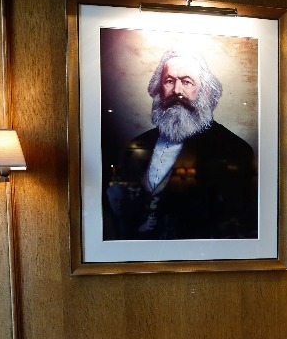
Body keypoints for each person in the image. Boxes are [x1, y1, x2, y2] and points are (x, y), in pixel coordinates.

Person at [105, 49, 258, 240]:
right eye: (169, 81)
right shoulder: (138, 145)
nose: (177, 90)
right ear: (159, 89)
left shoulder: (234, 148)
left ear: (205, 91)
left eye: (187, 82)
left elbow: (236, 219)